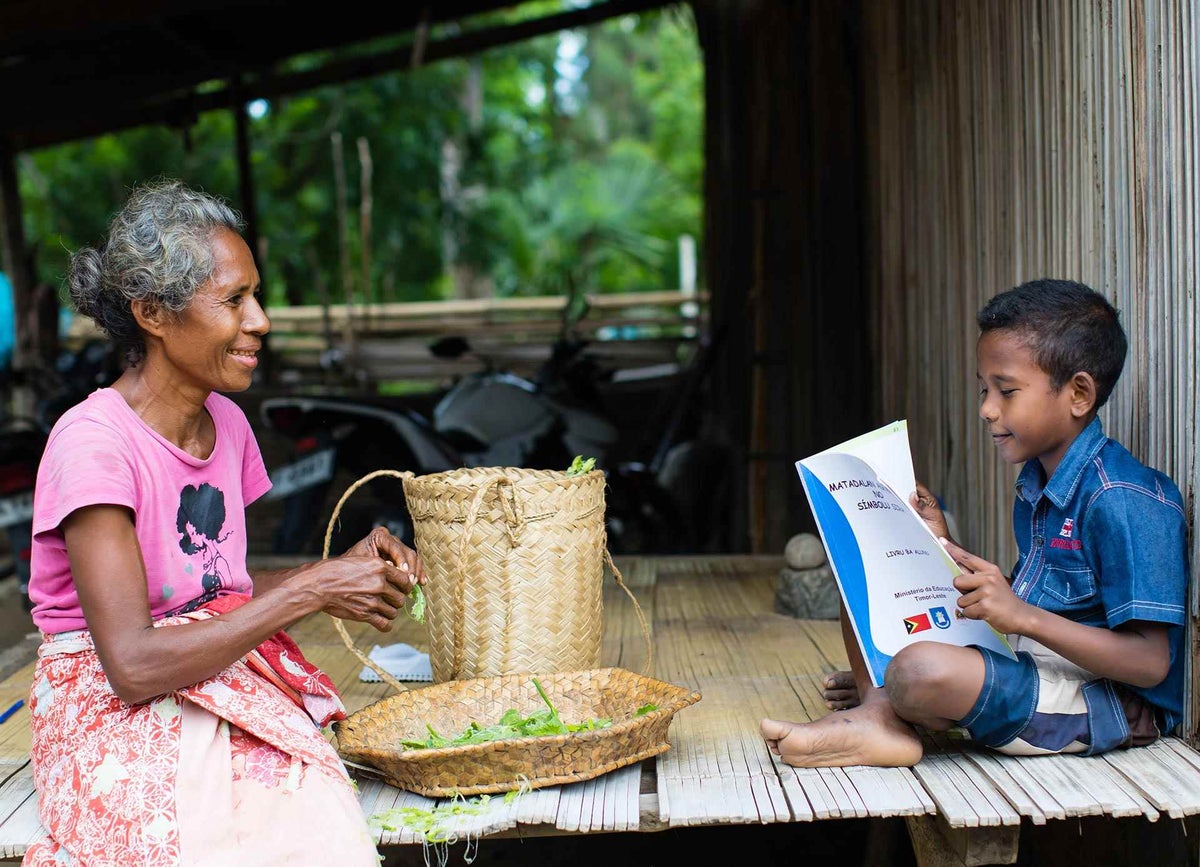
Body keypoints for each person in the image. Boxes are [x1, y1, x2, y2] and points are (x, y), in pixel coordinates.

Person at [22, 179, 426, 866]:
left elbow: (212, 592)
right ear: (153, 312)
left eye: (255, 295)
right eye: (235, 300)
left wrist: (335, 571)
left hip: (200, 676)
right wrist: (313, 589)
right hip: (106, 703)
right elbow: (132, 663)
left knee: (307, 800)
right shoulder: (93, 444)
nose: (261, 320)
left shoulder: (228, 424)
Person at [761, 279, 1187, 767]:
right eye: (985, 389)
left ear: (1079, 394)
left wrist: (1019, 616)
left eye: (1006, 391)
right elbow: (1025, 608)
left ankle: (891, 700)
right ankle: (882, 707)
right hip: (1040, 660)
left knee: (921, 670)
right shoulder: (1039, 484)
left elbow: (1151, 664)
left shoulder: (1124, 499)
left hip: (1107, 702)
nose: (987, 409)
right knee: (870, 574)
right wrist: (940, 545)